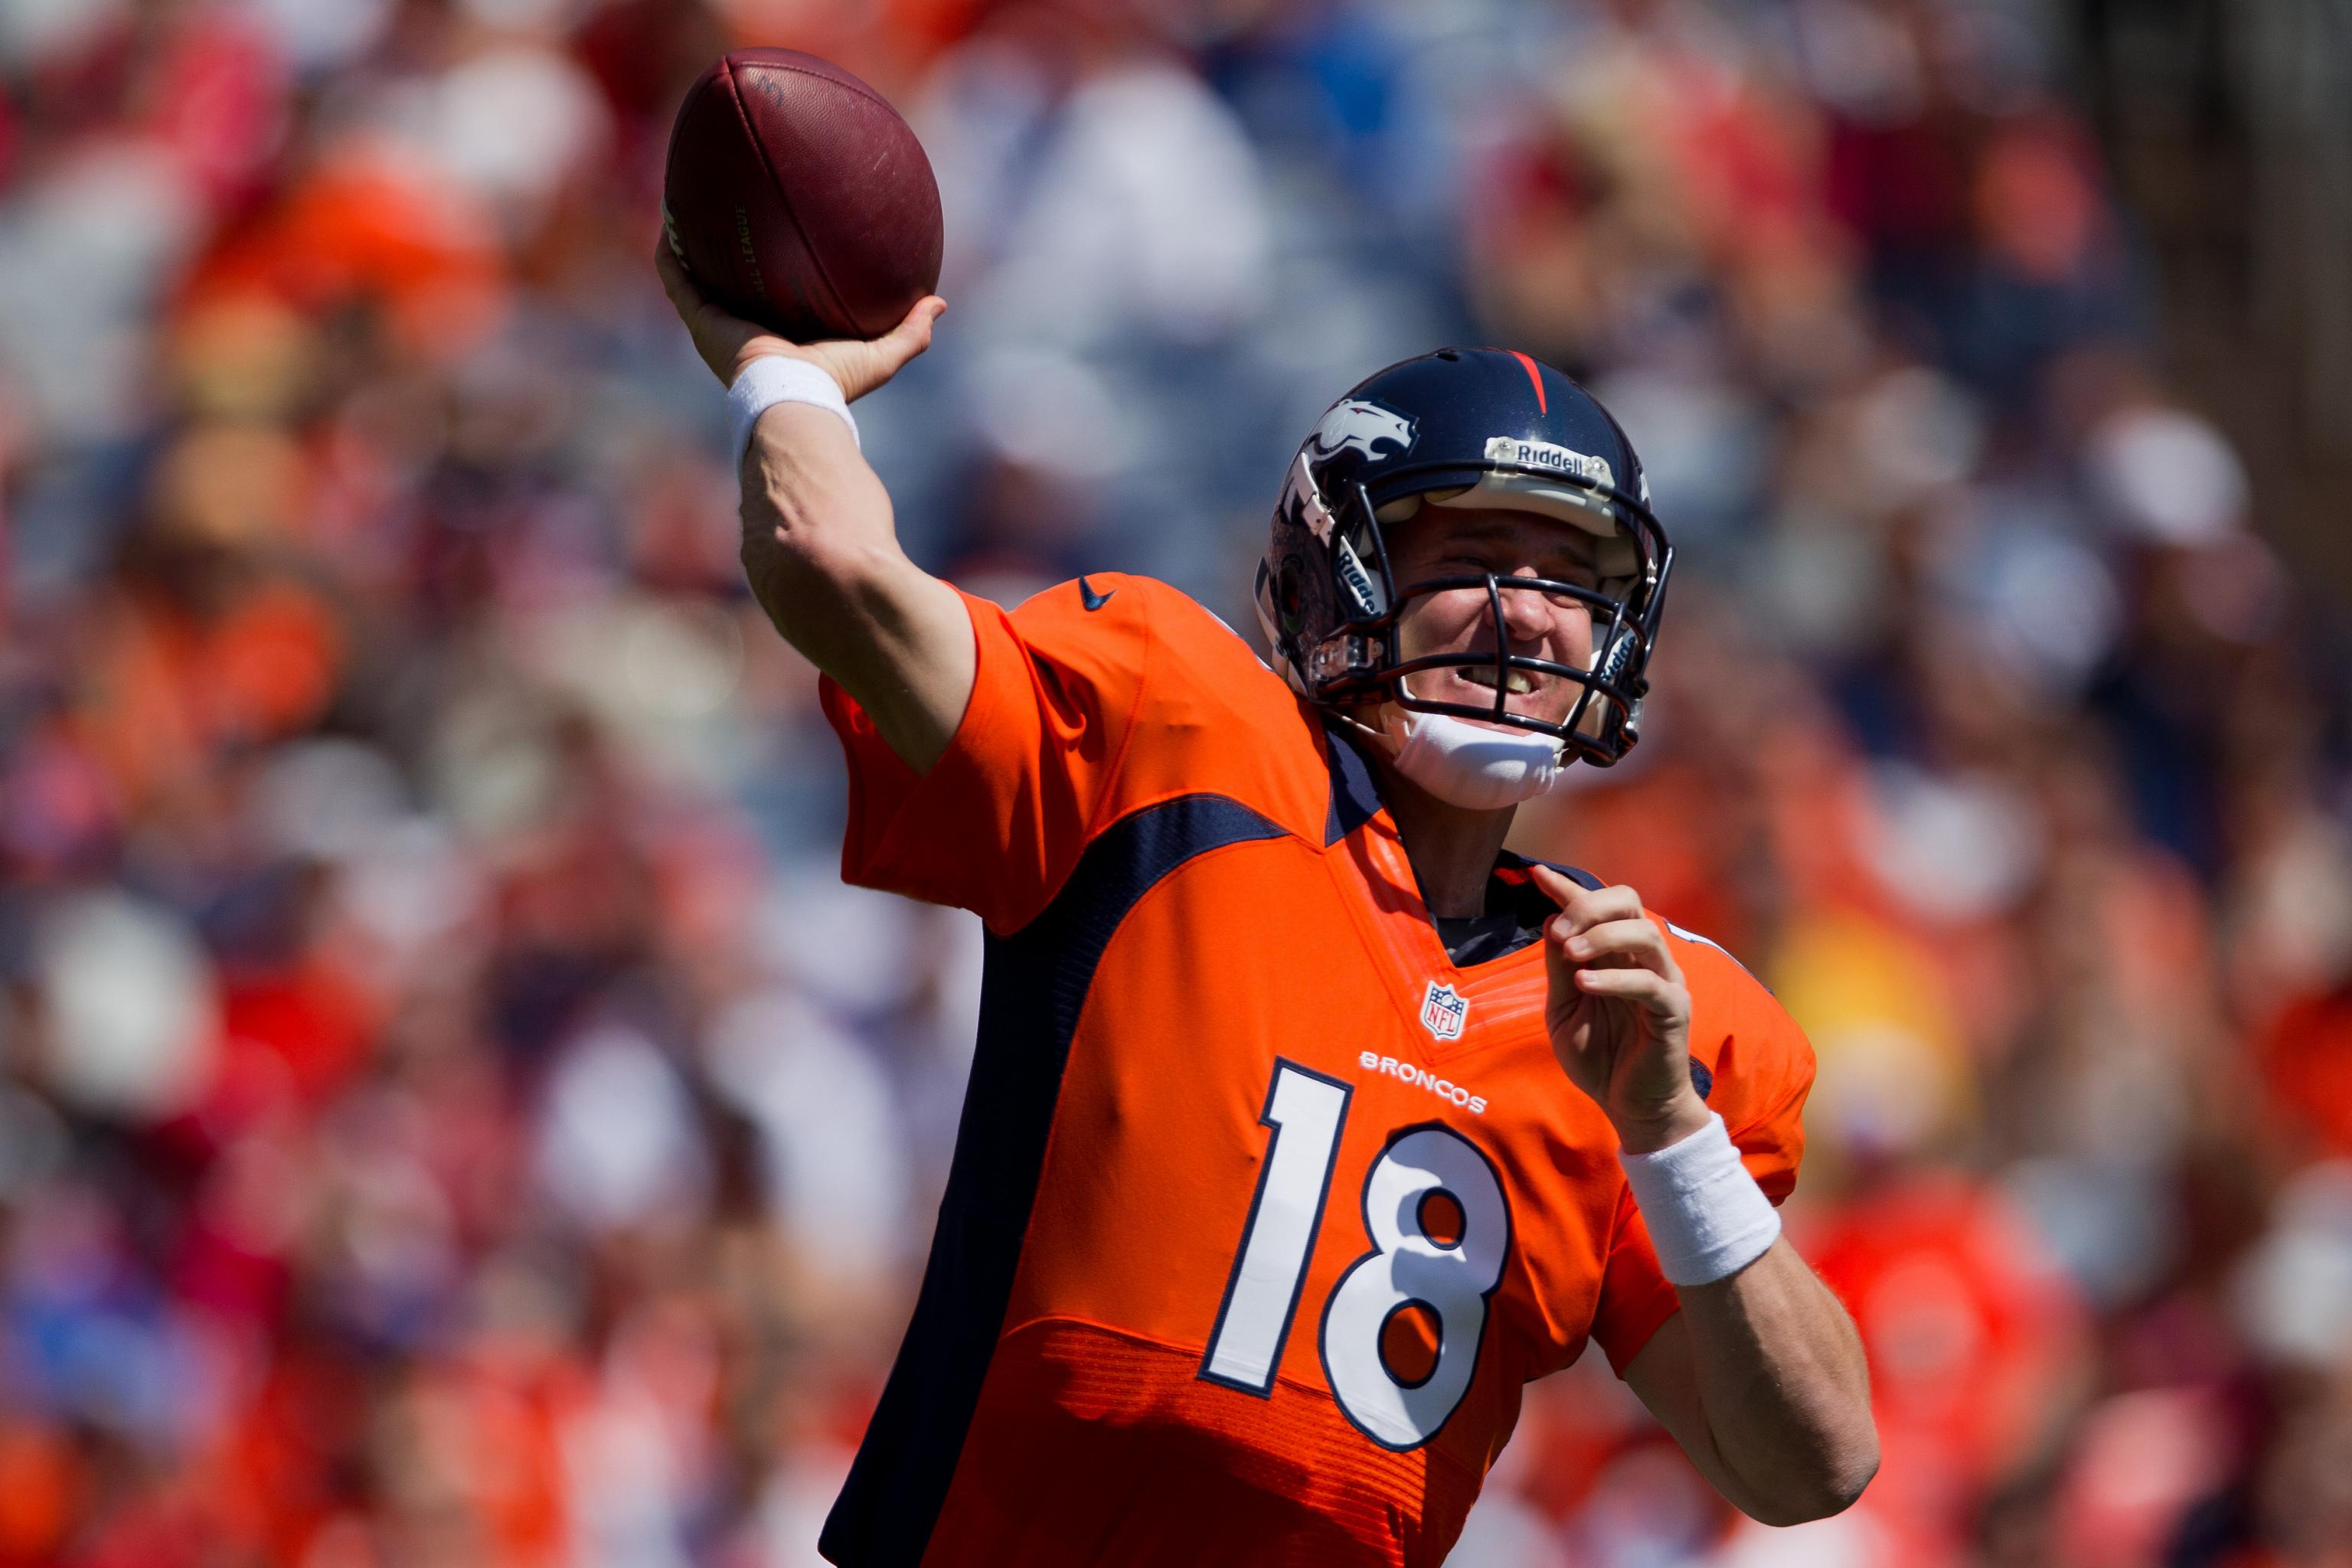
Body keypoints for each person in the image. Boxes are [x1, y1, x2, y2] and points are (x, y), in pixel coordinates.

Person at [657, 244, 1878, 1566]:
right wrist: (785, 380)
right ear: (1335, 575)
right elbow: (829, 566)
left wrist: (1671, 1132)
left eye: (1571, 577)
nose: (1528, 616)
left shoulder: (1650, 1023)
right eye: (1473, 554)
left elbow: (1812, 1464)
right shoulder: (1174, 734)